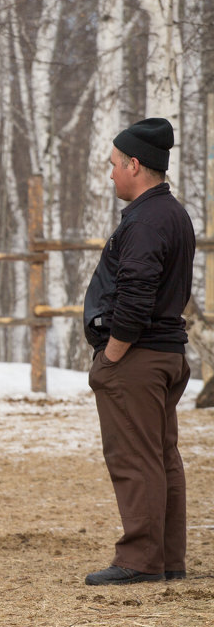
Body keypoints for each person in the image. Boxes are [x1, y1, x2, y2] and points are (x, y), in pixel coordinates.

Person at [83, 117, 194, 586]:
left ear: (134, 164)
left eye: (113, 165)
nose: (110, 175)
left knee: (135, 459)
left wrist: (111, 355)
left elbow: (136, 294)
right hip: (163, 354)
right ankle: (166, 558)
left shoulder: (146, 221)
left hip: (138, 358)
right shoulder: (171, 214)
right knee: (162, 456)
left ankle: (141, 560)